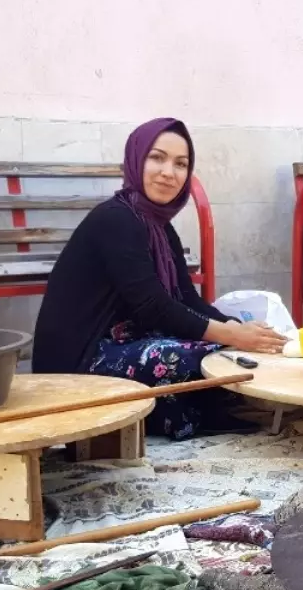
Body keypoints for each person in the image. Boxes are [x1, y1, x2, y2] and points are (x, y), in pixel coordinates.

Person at [31, 118, 285, 439]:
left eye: (181, 164)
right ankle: (188, 414)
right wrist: (231, 335)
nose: (169, 172)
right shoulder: (116, 220)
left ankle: (193, 411)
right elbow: (153, 306)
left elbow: (186, 299)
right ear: (137, 160)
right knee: (181, 357)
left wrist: (235, 327)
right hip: (80, 360)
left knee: (223, 343)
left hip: (127, 341)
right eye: (157, 157)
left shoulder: (159, 227)